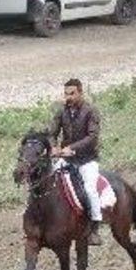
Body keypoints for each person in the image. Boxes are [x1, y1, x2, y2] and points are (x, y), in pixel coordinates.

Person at [49, 78, 104, 245]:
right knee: (49, 182)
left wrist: (72, 148)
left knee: (90, 189)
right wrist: (53, 147)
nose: (68, 97)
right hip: (67, 158)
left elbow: (92, 137)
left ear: (80, 92)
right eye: (66, 94)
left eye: (72, 93)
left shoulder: (91, 111)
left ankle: (94, 227)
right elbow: (52, 133)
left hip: (87, 159)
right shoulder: (62, 111)